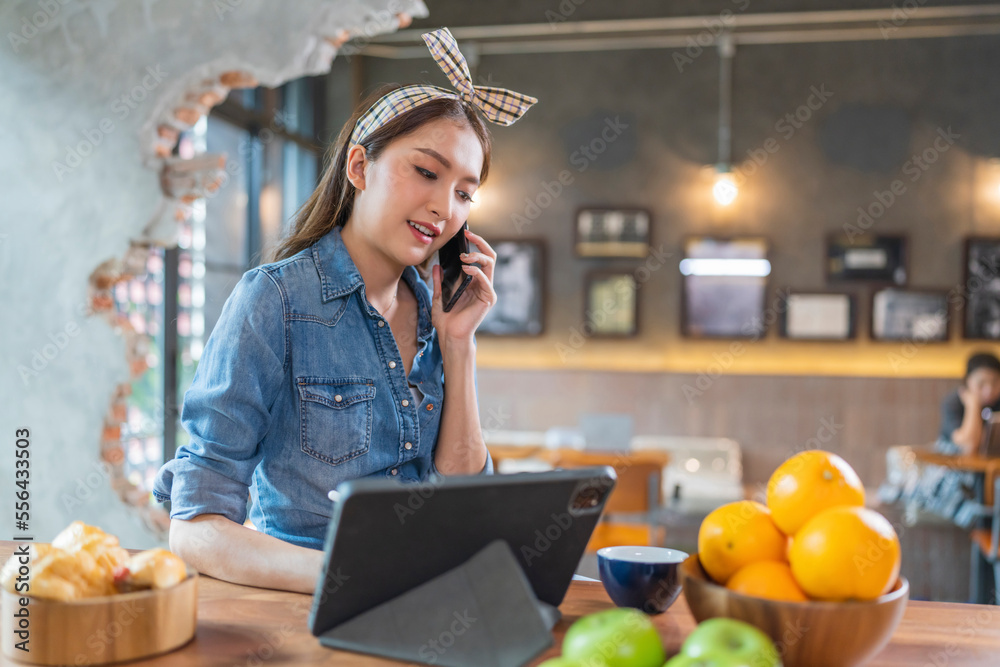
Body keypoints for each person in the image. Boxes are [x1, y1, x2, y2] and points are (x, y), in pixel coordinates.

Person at [152, 28, 538, 593]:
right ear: (359, 167)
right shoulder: (274, 301)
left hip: (430, 598)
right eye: (427, 172)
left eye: (464, 192)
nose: (443, 207)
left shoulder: (436, 314)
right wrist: (352, 578)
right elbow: (195, 528)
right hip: (310, 615)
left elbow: (461, 495)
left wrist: (459, 343)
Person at [939, 352, 1000, 456]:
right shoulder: (954, 402)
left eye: (995, 383)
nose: (989, 390)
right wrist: (973, 405)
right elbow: (969, 446)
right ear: (967, 381)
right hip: (953, 466)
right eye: (981, 383)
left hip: (989, 468)